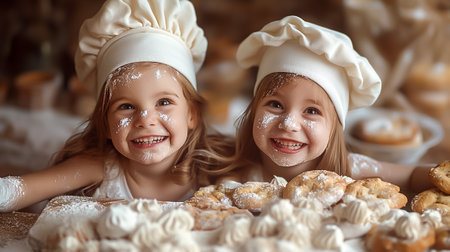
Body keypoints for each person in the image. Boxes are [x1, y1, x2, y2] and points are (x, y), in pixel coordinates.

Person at [0, 0, 232, 212]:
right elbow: (18, 191)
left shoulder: (215, 171)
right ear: (106, 124)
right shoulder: (99, 168)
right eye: (126, 107)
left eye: (163, 102)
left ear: (192, 114)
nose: (145, 119)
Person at [218, 16, 434, 193]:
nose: (289, 123)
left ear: (334, 127)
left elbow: (413, 175)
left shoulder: (350, 171)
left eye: (311, 111)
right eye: (275, 105)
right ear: (254, 110)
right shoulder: (239, 176)